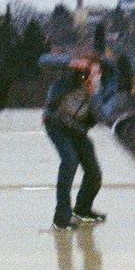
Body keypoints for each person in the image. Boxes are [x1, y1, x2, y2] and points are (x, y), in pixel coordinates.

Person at [43, 59, 105, 229]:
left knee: (94, 173)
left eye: (97, 73)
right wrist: (70, 65)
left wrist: (93, 95)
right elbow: (44, 61)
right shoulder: (68, 81)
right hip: (57, 126)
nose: (94, 76)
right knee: (70, 160)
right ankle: (61, 218)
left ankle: (82, 209)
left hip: (78, 130)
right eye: (91, 72)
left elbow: (100, 117)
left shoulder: (97, 90)